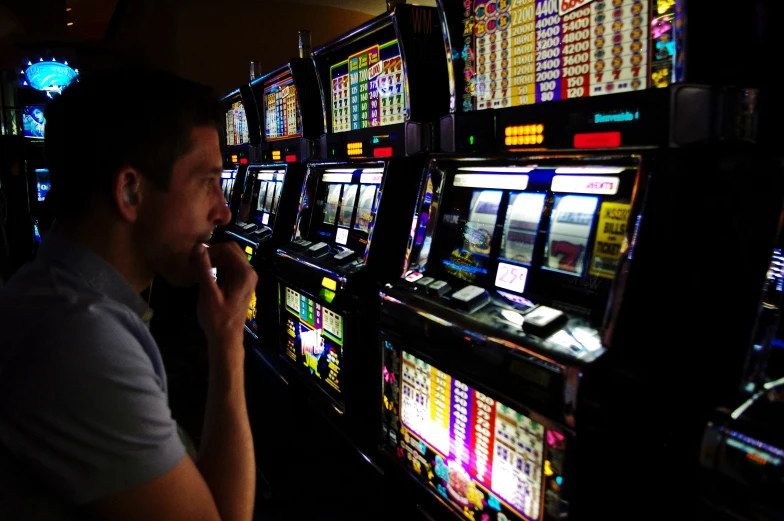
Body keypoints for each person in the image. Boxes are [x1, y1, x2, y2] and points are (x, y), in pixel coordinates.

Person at [0, 68, 257, 521]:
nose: (224, 209)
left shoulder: (60, 293)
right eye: (207, 182)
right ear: (131, 191)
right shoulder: (78, 336)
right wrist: (228, 339)